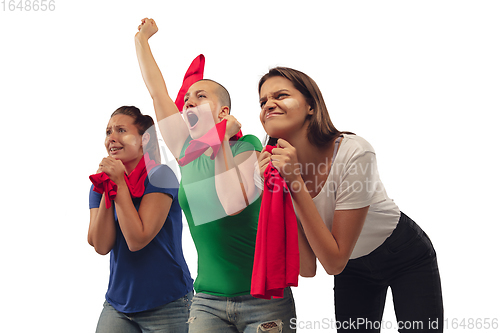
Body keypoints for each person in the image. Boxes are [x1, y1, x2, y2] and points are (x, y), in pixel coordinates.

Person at [135, 18, 296, 333]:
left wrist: (222, 139)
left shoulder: (247, 147)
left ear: (224, 112)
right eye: (186, 100)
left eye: (200, 97)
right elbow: (157, 92)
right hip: (206, 300)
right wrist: (142, 39)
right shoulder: (185, 150)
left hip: (263, 299)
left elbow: (232, 202)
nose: (188, 101)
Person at [257, 67, 444, 332]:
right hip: (353, 269)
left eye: (281, 95)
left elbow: (334, 261)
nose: (268, 105)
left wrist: (295, 182)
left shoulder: (355, 152)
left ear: (311, 105)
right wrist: (285, 187)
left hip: (404, 255)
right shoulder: (279, 172)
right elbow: (309, 267)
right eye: (262, 101)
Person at [88, 106, 193, 333]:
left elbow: (137, 240)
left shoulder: (161, 176)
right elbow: (101, 245)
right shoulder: (101, 185)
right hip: (118, 304)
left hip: (168, 303)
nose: (112, 138)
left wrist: (119, 186)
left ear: (144, 139)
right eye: (108, 132)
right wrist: (108, 188)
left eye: (121, 130)